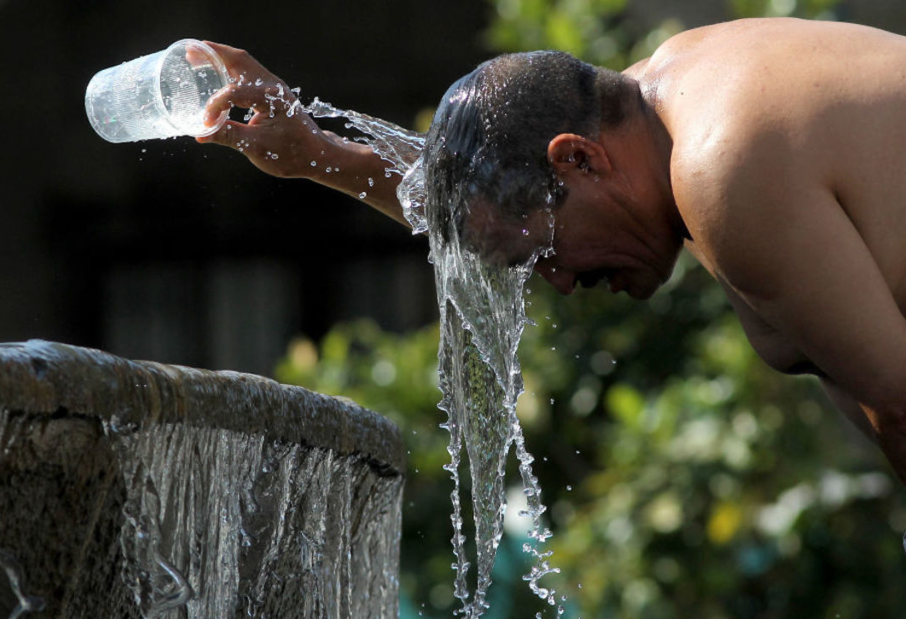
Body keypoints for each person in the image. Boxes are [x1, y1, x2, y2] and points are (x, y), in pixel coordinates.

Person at [195, 17, 906, 481]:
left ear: (581, 162)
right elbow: (496, 196)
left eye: (543, 256)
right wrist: (315, 152)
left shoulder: (723, 170)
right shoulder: (667, 95)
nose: (560, 282)